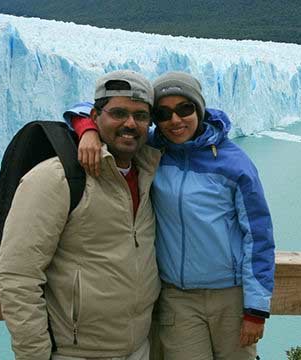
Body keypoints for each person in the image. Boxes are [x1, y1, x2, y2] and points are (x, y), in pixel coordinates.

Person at [67, 71, 275, 360]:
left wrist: (256, 309)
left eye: (184, 109)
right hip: (177, 298)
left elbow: (259, 236)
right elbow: (86, 108)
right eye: (163, 113)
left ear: (199, 109)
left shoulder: (234, 163)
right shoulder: (152, 149)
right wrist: (88, 130)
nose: (175, 120)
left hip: (230, 296)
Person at [0, 70, 162, 360]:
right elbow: (17, 277)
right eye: (119, 113)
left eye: (141, 115)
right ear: (95, 116)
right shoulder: (56, 179)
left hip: (138, 349)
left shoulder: (149, 174)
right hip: (75, 353)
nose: (130, 124)